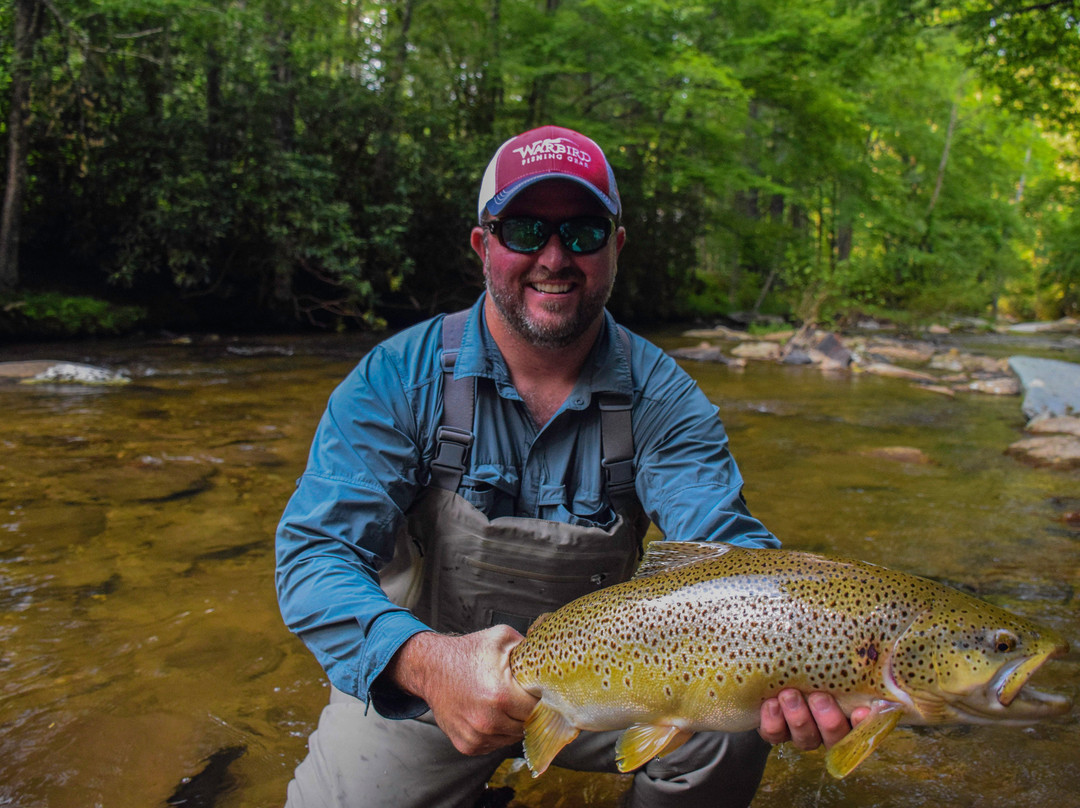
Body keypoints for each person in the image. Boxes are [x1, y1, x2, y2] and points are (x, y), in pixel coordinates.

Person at [275, 125, 865, 808]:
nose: (554, 257)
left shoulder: (665, 399)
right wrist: (424, 663)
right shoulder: (396, 381)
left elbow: (728, 557)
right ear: (483, 245)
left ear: (615, 247)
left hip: (617, 690)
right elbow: (315, 555)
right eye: (524, 229)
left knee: (730, 723)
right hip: (428, 689)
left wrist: (815, 656)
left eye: (582, 232)